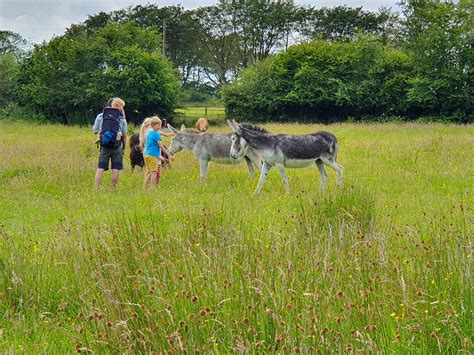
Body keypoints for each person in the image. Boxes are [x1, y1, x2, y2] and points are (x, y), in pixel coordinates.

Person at [92, 97, 127, 188]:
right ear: (120, 107)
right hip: (117, 145)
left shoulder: (101, 116)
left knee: (101, 167)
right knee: (116, 168)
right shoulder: (121, 119)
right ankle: (113, 188)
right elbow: (124, 134)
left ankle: (97, 188)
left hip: (104, 145)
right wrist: (124, 147)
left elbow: (95, 130)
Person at [139, 116, 174, 184]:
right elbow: (161, 147)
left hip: (148, 155)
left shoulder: (150, 133)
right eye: (158, 125)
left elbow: (152, 148)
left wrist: (161, 158)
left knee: (149, 172)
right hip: (152, 156)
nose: (160, 126)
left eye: (160, 125)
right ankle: (152, 187)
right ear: (152, 125)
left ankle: (145, 187)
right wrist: (169, 155)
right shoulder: (156, 134)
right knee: (154, 173)